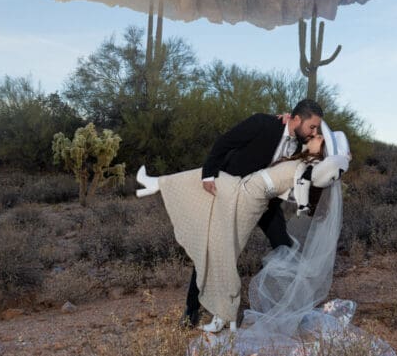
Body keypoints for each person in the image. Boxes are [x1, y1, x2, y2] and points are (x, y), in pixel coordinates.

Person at [136, 133, 348, 332]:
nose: (314, 135)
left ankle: (156, 183)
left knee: (215, 192)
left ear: (324, 150)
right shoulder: (300, 155)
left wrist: (336, 163)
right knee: (220, 248)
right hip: (244, 190)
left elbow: (312, 182)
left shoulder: (312, 168)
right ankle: (224, 316)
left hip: (245, 197)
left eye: (319, 137)